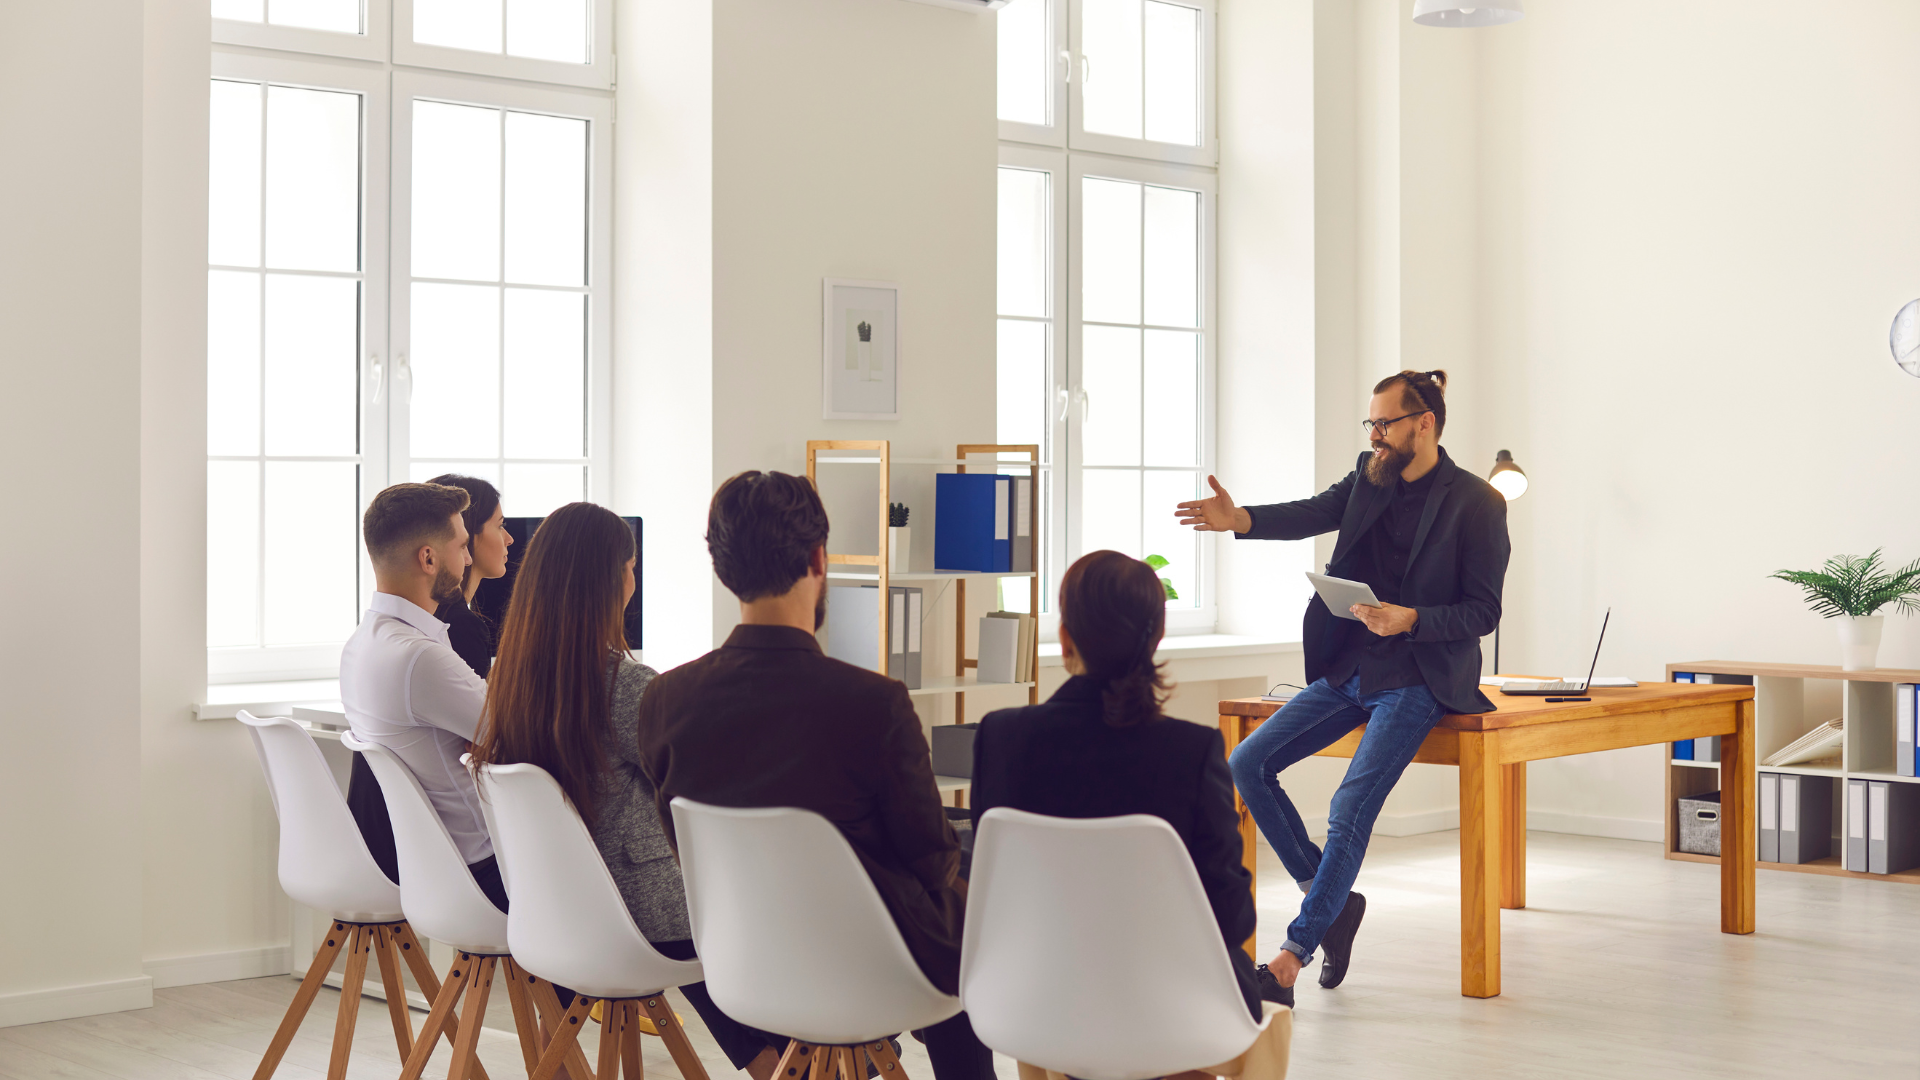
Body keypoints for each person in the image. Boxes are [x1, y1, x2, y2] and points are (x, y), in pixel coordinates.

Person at [636, 471, 995, 1080]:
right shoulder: (873, 703)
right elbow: (932, 862)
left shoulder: (664, 701)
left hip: (746, 966)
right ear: (818, 558)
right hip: (872, 968)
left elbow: (688, 855)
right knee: (972, 901)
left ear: (723, 569)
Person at [1175, 369, 1510, 1003]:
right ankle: (1334, 906)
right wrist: (1238, 519)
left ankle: (1289, 958)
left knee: (1348, 806)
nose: (1376, 435)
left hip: (1418, 675)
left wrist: (1411, 618)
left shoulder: (1476, 502)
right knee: (1247, 762)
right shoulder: (1369, 474)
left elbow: (1484, 611)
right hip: (1348, 665)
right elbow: (1311, 513)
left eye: (1386, 424)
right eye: (1372, 424)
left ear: (1424, 424)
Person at [468, 503, 783, 1079]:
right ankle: (799, 1065)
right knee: (759, 935)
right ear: (614, 581)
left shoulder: (510, 682)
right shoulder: (626, 685)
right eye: (631, 568)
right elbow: (703, 791)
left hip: (555, 917)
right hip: (644, 919)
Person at [970, 549, 1290, 1029]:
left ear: (1064, 637)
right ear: (1157, 637)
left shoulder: (1000, 737)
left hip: (1032, 1000)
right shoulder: (1192, 751)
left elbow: (989, 890)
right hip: (1168, 1010)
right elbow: (1233, 919)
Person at [340, 482, 506, 909]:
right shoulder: (420, 658)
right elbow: (517, 732)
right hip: (482, 873)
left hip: (433, 867)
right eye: (462, 546)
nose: (468, 558)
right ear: (429, 558)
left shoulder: (362, 645)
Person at [426, 473, 513, 678]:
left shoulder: (434, 614)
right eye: (500, 526)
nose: (509, 539)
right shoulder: (463, 628)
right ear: (465, 532)